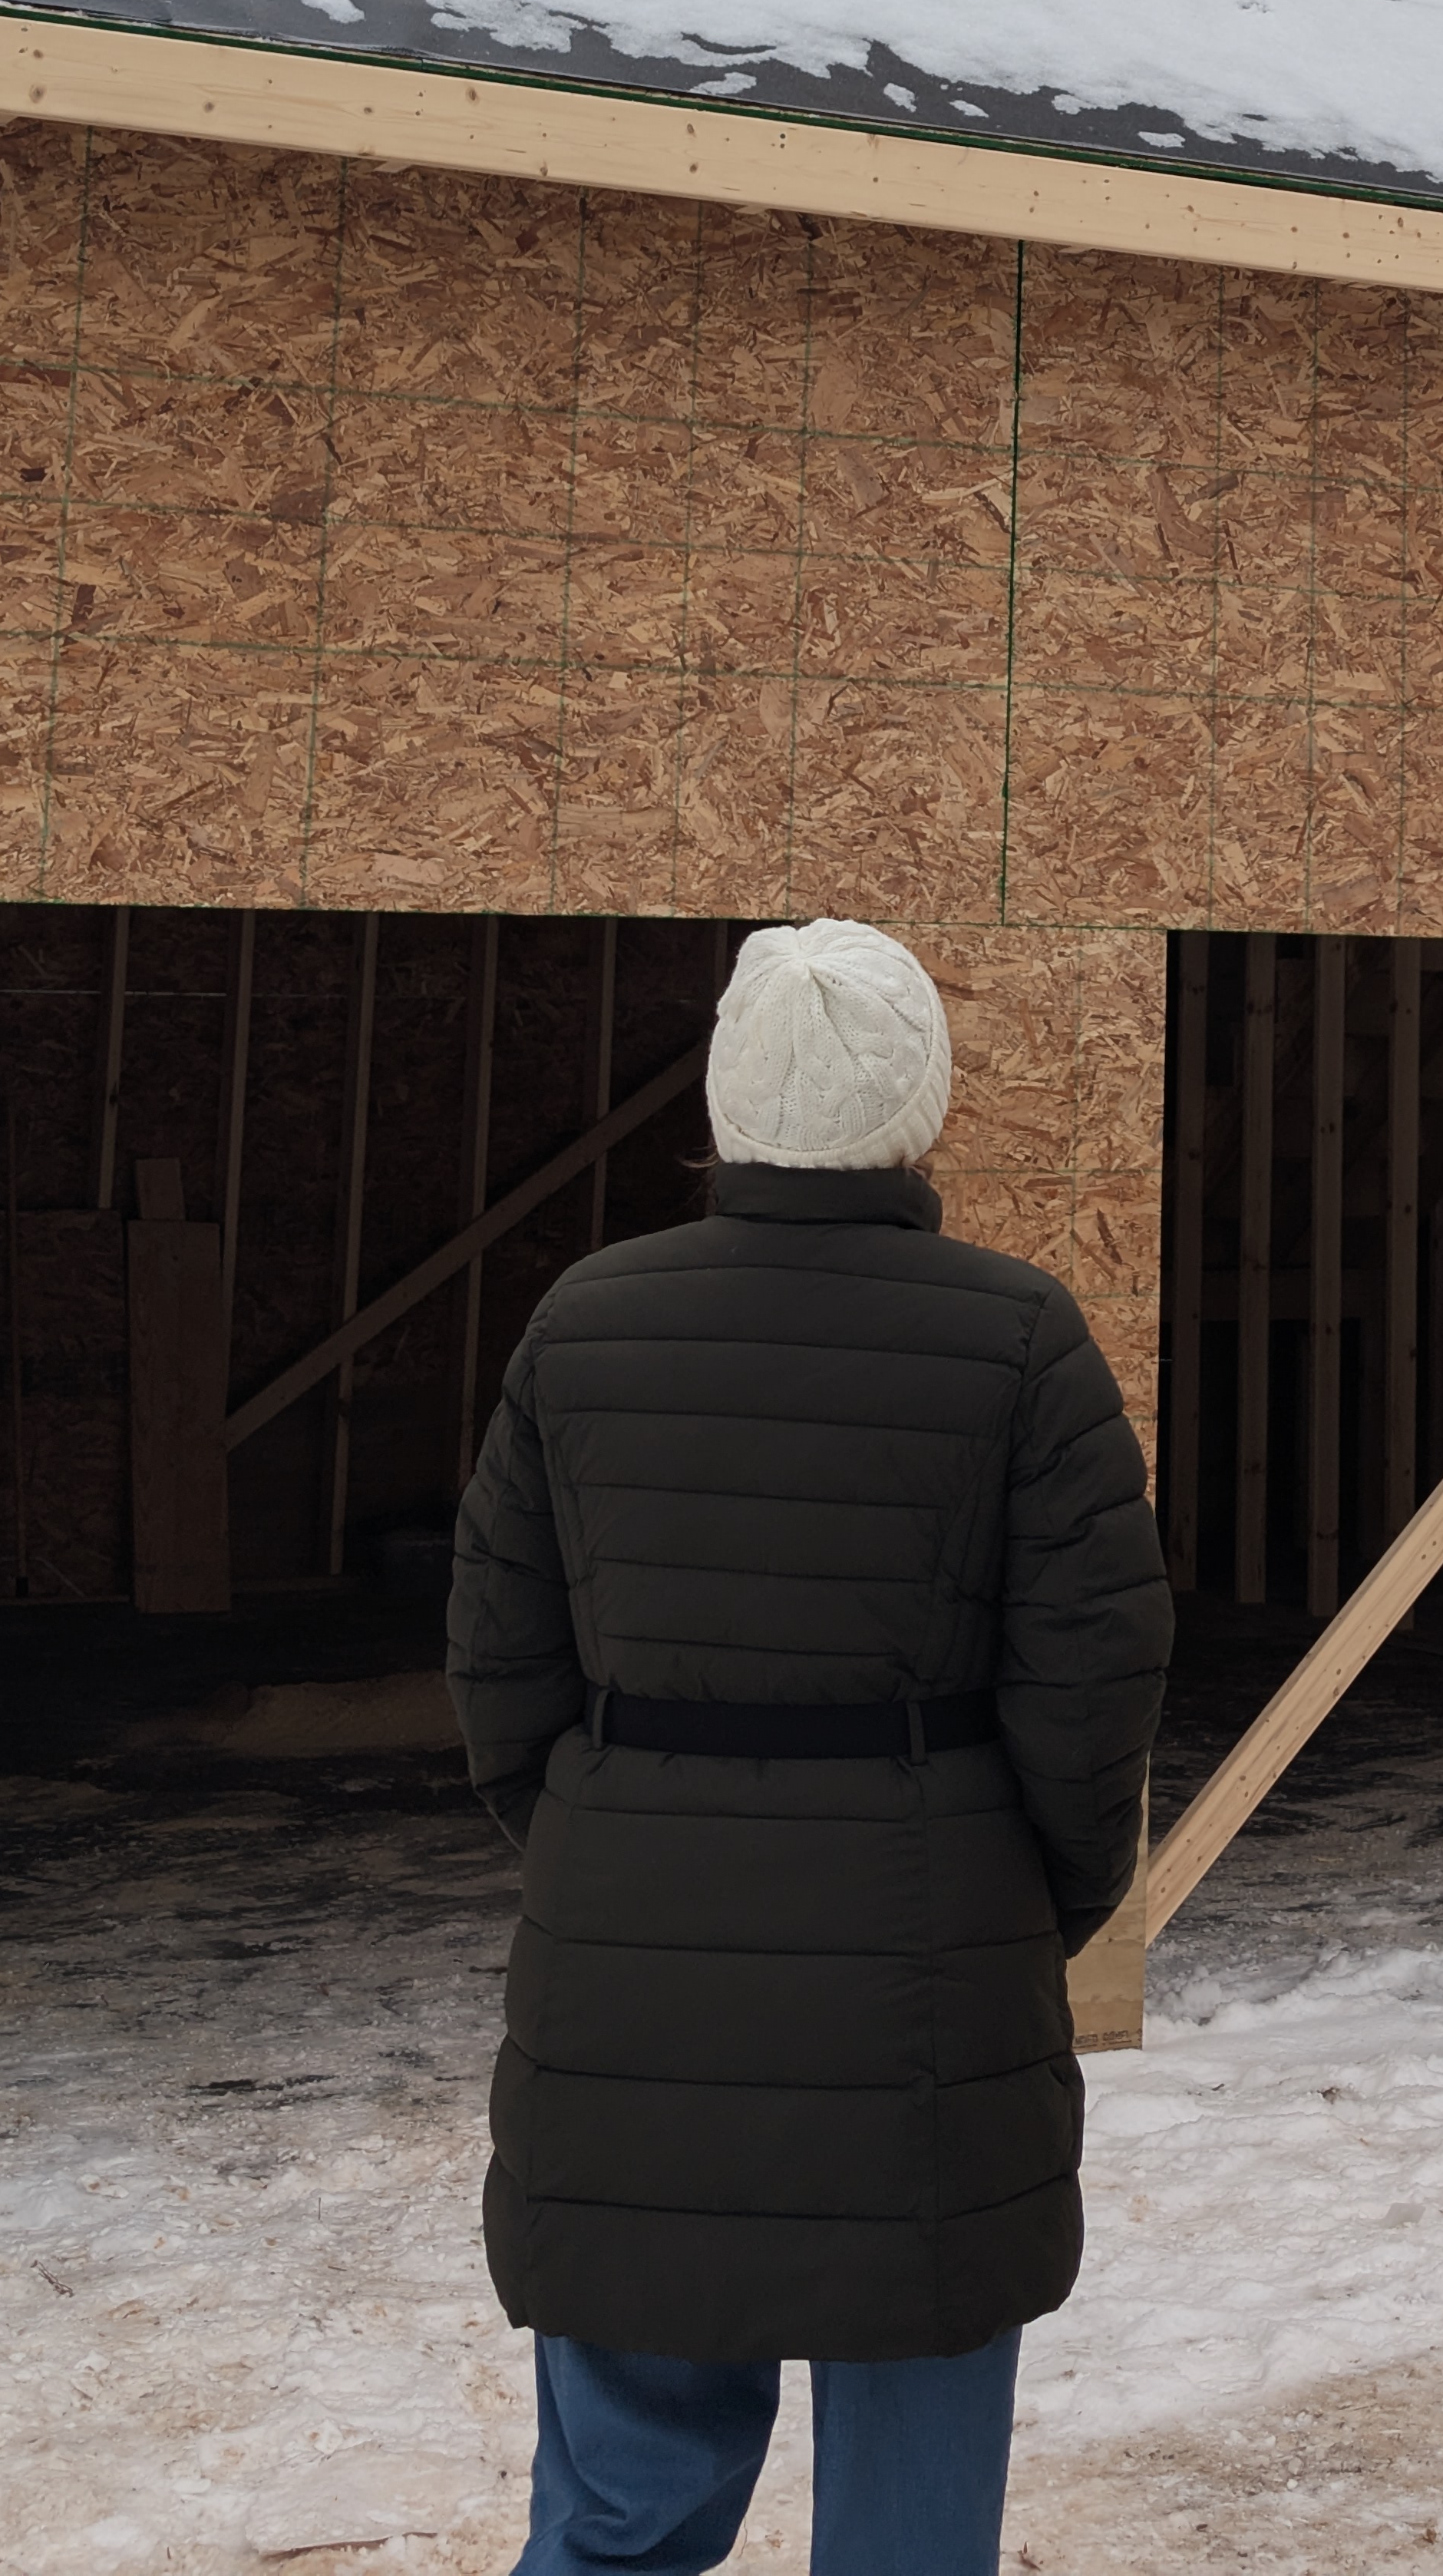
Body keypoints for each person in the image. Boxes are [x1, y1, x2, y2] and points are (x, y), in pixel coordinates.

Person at [447, 918, 1172, 2576]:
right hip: (923, 1974)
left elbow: (498, 1658)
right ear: (922, 1103)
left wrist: (597, 1844)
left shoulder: (587, 1320)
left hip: (631, 1976)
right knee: (911, 2526)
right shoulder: (1016, 1336)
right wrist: (1032, 1899)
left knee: (621, 2507)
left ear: (724, 1101)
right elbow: (1097, 1671)